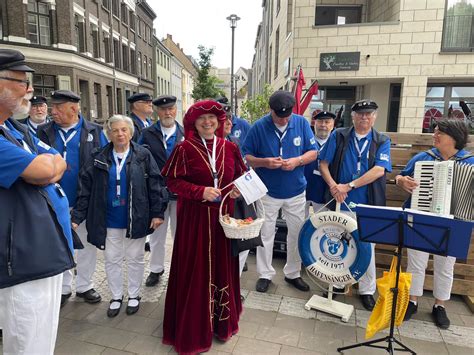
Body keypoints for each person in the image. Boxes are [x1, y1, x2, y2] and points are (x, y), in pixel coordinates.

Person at [0, 48, 74, 354]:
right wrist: (45, 168)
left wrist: (45, 168)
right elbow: (46, 166)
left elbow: (58, 160)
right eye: (21, 81)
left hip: (42, 253)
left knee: (43, 338)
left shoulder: (13, 128)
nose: (30, 90)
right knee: (26, 343)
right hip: (21, 260)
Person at [161, 100, 246, 354]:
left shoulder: (230, 147)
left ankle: (221, 325)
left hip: (223, 220)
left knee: (222, 267)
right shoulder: (183, 148)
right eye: (202, 119)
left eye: (212, 118)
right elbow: (172, 182)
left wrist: (236, 191)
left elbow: (240, 177)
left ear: (219, 122)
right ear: (193, 124)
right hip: (195, 221)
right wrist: (200, 191)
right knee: (196, 269)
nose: (208, 122)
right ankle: (195, 328)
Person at [71, 114, 168, 317]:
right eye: (115, 130)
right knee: (112, 258)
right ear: (109, 134)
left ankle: (134, 294)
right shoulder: (98, 156)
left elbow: (156, 185)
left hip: (137, 215)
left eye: (124, 130)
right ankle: (116, 296)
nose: (120, 134)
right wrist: (78, 216)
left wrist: (158, 212)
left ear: (131, 133)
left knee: (136, 258)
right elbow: (85, 188)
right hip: (108, 218)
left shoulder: (142, 155)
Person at [396, 119, 474, 329]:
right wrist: (402, 181)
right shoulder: (424, 158)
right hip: (421, 217)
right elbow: (400, 177)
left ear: (454, 137)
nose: (435, 136)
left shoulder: (470, 163)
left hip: (455, 221)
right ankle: (412, 301)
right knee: (416, 263)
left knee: (445, 266)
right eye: (435, 132)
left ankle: (440, 305)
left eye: (440, 132)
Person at [319, 99, 392, 311]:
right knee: (341, 245)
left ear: (375, 116)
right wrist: (334, 187)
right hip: (341, 202)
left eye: (369, 114)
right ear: (353, 116)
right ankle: (339, 284)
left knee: (367, 248)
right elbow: (323, 164)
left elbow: (379, 170)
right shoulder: (339, 135)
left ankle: (367, 290)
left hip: (369, 204)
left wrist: (348, 186)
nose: (364, 117)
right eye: (360, 114)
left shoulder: (381, 140)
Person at [37, 90, 108, 307]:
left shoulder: (94, 131)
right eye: (53, 107)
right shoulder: (43, 131)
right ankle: (64, 287)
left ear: (74, 109)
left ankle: (85, 285)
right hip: (53, 199)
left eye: (58, 107)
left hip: (84, 199)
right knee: (61, 244)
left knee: (86, 244)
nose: (53, 111)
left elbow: (104, 162)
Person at [242, 90, 317, 293]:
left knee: (296, 232)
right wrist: (265, 162)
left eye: (287, 116)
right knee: (265, 234)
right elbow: (246, 155)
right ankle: (265, 274)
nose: (284, 120)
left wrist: (297, 161)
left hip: (296, 191)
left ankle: (293, 273)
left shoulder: (301, 123)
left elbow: (313, 152)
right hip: (267, 191)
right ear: (271, 111)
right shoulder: (258, 127)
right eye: (279, 116)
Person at [139, 95, 184, 287]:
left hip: (180, 192)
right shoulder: (147, 134)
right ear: (157, 112)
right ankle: (156, 269)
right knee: (157, 235)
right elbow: (139, 158)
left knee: (180, 234)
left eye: (171, 108)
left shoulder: (187, 133)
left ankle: (181, 269)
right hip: (156, 192)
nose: (168, 112)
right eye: (164, 109)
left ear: (175, 110)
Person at [304, 110, 335, 217]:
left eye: (327, 122)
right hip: (303, 189)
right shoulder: (306, 140)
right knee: (299, 224)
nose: (323, 125)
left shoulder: (336, 143)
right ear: (314, 123)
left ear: (333, 125)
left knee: (321, 224)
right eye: (320, 122)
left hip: (324, 191)